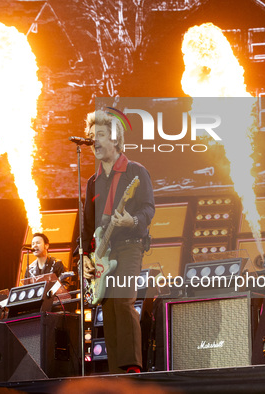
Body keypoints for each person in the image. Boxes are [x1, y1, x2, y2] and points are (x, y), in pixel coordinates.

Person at [81, 109, 155, 374]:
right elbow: (87, 228)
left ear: (115, 139)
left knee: (123, 300)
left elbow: (148, 209)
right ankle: (115, 373)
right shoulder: (93, 182)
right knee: (108, 309)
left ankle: (132, 367)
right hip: (103, 252)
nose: (94, 141)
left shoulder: (135, 171)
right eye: (91, 137)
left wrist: (132, 221)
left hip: (130, 244)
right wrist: (86, 260)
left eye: (100, 135)